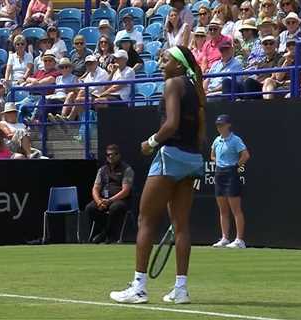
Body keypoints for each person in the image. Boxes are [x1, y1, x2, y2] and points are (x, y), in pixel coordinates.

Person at [110, 45, 206, 305]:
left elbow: (171, 123)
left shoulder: (174, 83)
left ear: (178, 64)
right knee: (181, 225)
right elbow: (200, 132)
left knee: (146, 220)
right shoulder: (196, 87)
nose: (161, 64)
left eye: (165, 60)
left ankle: (139, 288)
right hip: (193, 159)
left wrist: (150, 143)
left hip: (170, 156)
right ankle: (181, 290)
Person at [211, 114, 250, 249]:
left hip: (231, 173)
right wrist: (218, 162)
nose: (219, 127)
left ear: (228, 125)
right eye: (218, 125)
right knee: (223, 210)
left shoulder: (236, 140)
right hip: (219, 173)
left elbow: (245, 155)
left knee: (236, 209)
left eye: (222, 125)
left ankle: (239, 240)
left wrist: (235, 166)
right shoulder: (216, 140)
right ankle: (225, 238)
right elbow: (212, 155)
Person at [85, 144, 134, 244]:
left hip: (120, 200)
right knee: (90, 208)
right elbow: (95, 188)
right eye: (108, 155)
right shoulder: (102, 170)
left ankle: (105, 235)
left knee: (115, 208)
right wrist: (99, 201)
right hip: (103, 199)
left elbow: (126, 191)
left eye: (114, 154)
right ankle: (107, 233)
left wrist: (110, 200)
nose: (111, 157)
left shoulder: (127, 169)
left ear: (119, 155)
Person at [64, 55, 109, 121]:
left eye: (91, 63)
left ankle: (70, 118)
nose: (89, 65)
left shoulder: (102, 73)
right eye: (87, 64)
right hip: (90, 95)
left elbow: (94, 88)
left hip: (98, 96)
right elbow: (85, 87)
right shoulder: (89, 74)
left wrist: (79, 89)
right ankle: (63, 116)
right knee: (71, 94)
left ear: (96, 63)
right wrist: (77, 89)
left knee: (79, 99)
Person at [45, 57, 78, 122]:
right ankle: (35, 119)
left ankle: (61, 117)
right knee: (42, 99)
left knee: (49, 103)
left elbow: (75, 91)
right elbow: (55, 91)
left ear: (70, 68)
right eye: (62, 67)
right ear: (59, 69)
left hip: (65, 98)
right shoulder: (58, 78)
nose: (64, 69)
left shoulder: (74, 78)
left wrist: (67, 89)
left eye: (66, 67)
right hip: (56, 96)